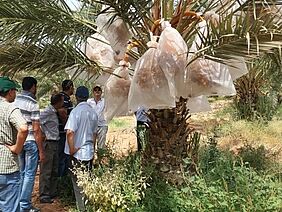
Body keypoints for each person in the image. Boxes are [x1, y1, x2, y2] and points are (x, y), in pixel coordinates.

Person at [64, 86, 98, 211]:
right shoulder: (93, 113)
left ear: (77, 97)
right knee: (87, 180)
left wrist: (72, 149)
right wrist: (93, 150)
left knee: (78, 184)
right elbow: (95, 134)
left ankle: (82, 208)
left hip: (77, 153)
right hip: (88, 152)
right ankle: (89, 206)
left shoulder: (75, 112)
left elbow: (69, 132)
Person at [14, 76, 45, 212]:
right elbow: (36, 129)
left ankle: (20, 203)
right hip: (31, 142)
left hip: (19, 141)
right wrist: (41, 150)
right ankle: (25, 205)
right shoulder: (33, 103)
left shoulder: (14, 100)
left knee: (21, 172)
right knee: (30, 174)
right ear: (33, 87)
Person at [0, 77, 28, 212]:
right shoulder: (10, 107)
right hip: (7, 166)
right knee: (9, 207)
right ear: (10, 92)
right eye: (14, 91)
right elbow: (23, 128)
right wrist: (17, 148)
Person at [39, 93, 64, 203]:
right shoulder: (47, 112)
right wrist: (42, 133)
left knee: (54, 168)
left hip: (55, 142)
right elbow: (37, 121)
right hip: (49, 143)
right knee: (46, 169)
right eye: (62, 101)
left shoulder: (54, 112)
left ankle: (52, 192)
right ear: (58, 102)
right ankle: (44, 194)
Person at [57, 80, 74, 177]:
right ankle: (61, 179)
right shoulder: (64, 98)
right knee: (62, 157)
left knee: (64, 157)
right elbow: (62, 113)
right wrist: (67, 126)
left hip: (62, 132)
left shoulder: (65, 97)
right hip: (62, 133)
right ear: (70, 87)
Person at [87, 86, 108, 150]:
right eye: (95, 90)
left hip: (102, 125)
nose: (97, 91)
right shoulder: (89, 102)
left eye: (99, 90)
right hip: (92, 125)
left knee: (101, 145)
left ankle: (100, 158)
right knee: (91, 144)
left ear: (101, 92)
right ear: (93, 92)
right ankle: (91, 159)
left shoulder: (105, 101)